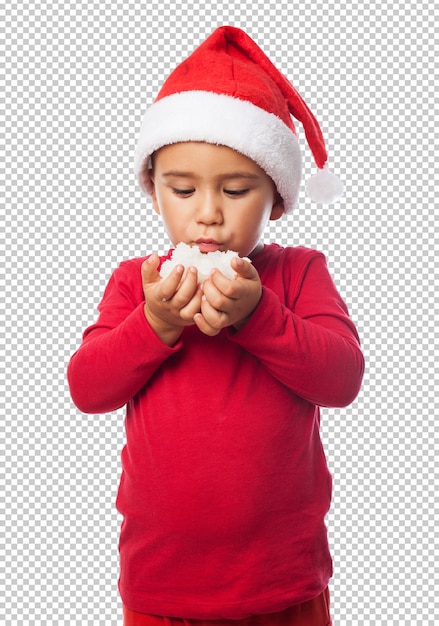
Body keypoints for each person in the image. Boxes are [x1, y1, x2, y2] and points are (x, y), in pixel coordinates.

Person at [68, 26, 364, 626]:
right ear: (153, 192)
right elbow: (87, 389)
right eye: (182, 189)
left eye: (235, 189)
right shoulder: (137, 283)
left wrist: (259, 317)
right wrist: (154, 323)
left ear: (276, 199)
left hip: (282, 582)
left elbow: (342, 380)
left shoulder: (299, 273)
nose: (207, 212)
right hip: (162, 585)